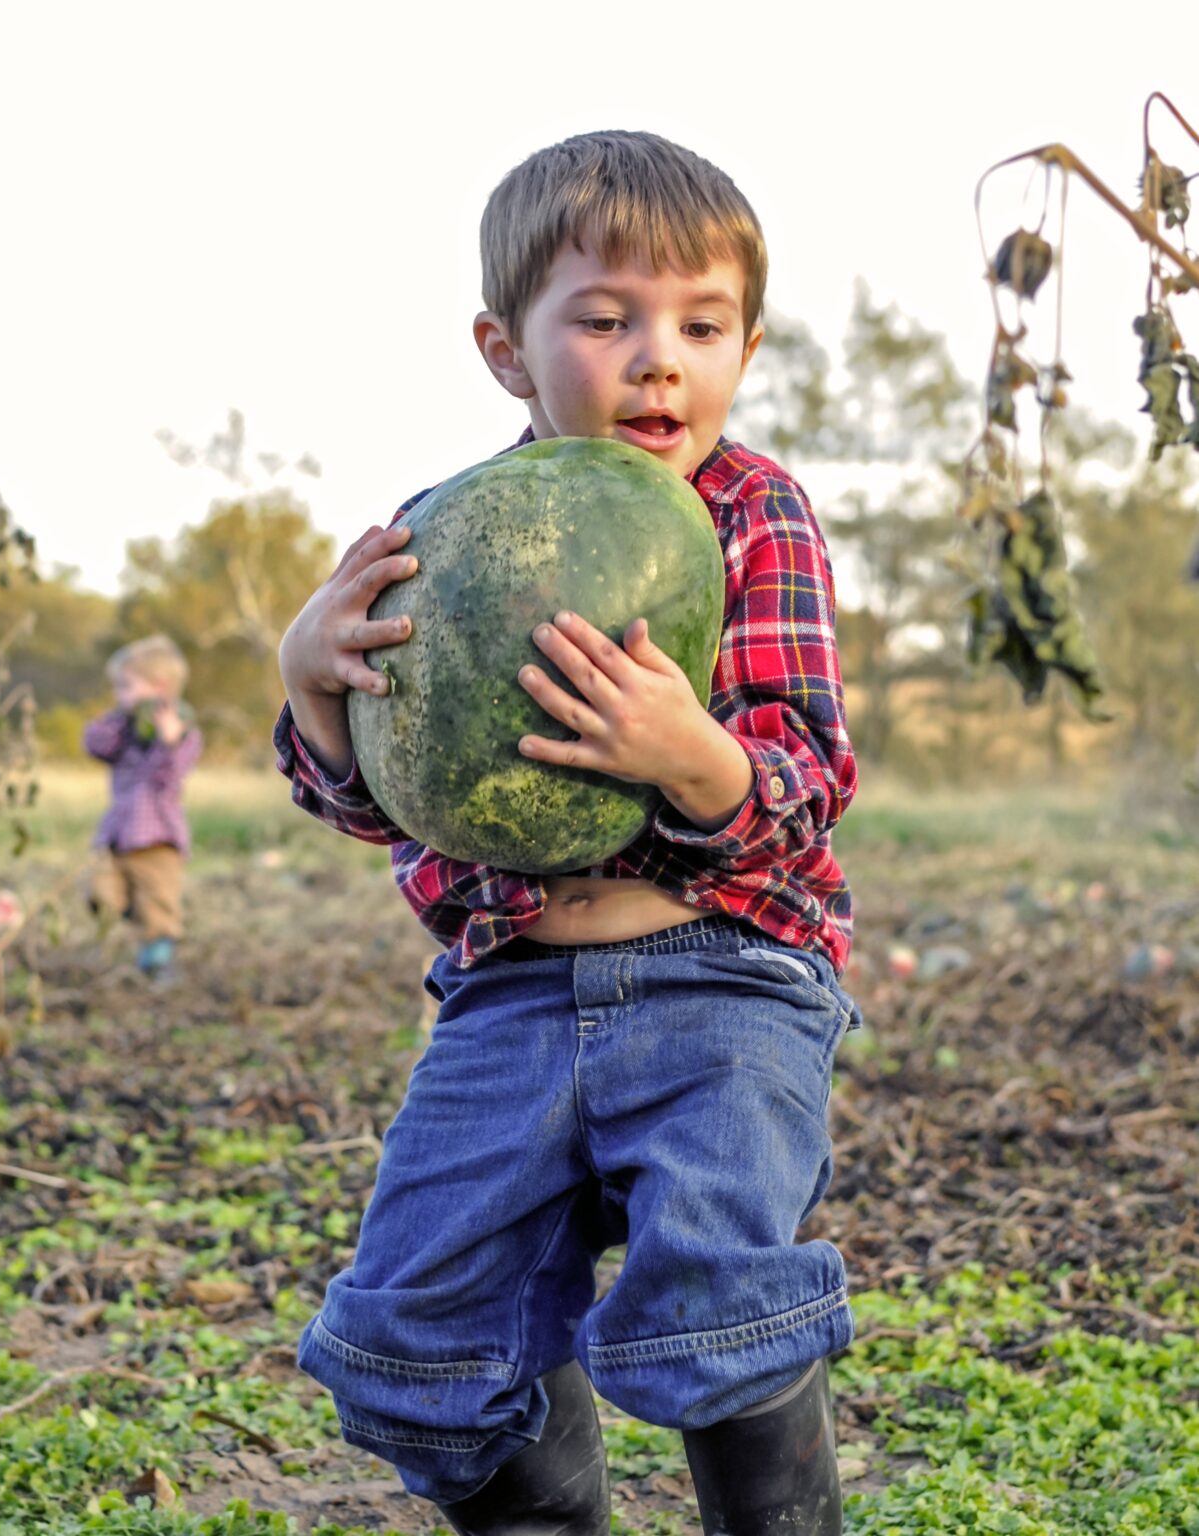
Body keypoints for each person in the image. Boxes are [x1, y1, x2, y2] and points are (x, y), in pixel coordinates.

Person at [276, 130, 861, 1536]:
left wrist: (694, 758)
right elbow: (381, 799)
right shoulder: (441, 533)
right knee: (424, 1316)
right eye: (604, 320)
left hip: (724, 973)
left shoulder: (748, 513)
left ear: (743, 346)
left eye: (699, 326)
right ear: (504, 348)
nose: (658, 357)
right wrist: (308, 689)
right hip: (509, 991)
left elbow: (803, 778)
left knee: (717, 1283)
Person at [84, 634, 202, 979]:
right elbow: (95, 745)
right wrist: (122, 715)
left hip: (157, 838)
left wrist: (168, 742)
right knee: (99, 892)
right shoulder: (123, 730)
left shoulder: (184, 734)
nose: (117, 694)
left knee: (159, 905)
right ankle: (129, 912)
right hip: (119, 833)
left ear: (160, 686)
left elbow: (168, 778)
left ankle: (160, 961)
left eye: (125, 686)